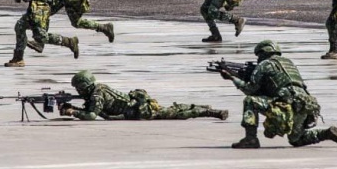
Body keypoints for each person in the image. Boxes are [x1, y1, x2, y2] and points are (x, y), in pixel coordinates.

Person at [218, 40, 337, 149]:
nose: (258, 59)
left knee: (250, 101)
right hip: (304, 104)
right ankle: (326, 133)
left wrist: (232, 78)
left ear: (264, 52)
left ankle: (250, 139)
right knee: (296, 139)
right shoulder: (288, 63)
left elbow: (250, 90)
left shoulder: (264, 64)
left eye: (259, 55)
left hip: (285, 104)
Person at [61, 70, 228, 121]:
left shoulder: (97, 94)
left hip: (141, 110)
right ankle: (205, 109)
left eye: (78, 87)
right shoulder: (98, 90)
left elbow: (91, 115)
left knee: (177, 113)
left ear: (84, 86)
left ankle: (210, 112)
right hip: (135, 110)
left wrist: (73, 112)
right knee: (175, 110)